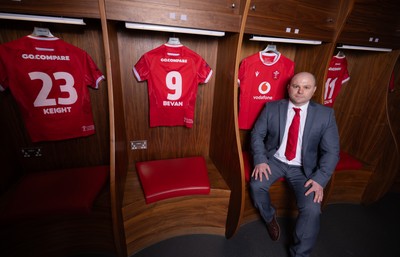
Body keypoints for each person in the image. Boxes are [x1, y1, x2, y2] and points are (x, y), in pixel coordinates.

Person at [250, 71, 340, 257]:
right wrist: (260, 159)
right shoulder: (271, 108)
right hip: (275, 160)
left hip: (305, 169)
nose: (300, 91)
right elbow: (257, 135)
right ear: (289, 87)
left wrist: (320, 179)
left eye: (306, 87)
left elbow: (331, 152)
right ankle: (269, 217)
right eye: (296, 86)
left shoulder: (326, 115)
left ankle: (299, 254)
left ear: (314, 90)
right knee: (256, 185)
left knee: (312, 208)